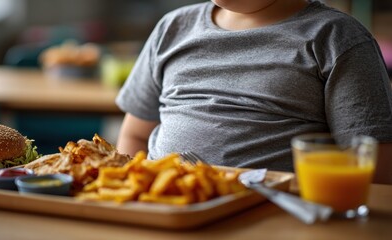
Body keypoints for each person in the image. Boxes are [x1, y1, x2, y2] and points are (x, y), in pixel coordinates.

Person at [115, 0, 392, 183]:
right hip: (163, 210)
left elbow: (376, 167)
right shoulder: (172, 29)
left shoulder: (335, 37)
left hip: (277, 219)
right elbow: (135, 134)